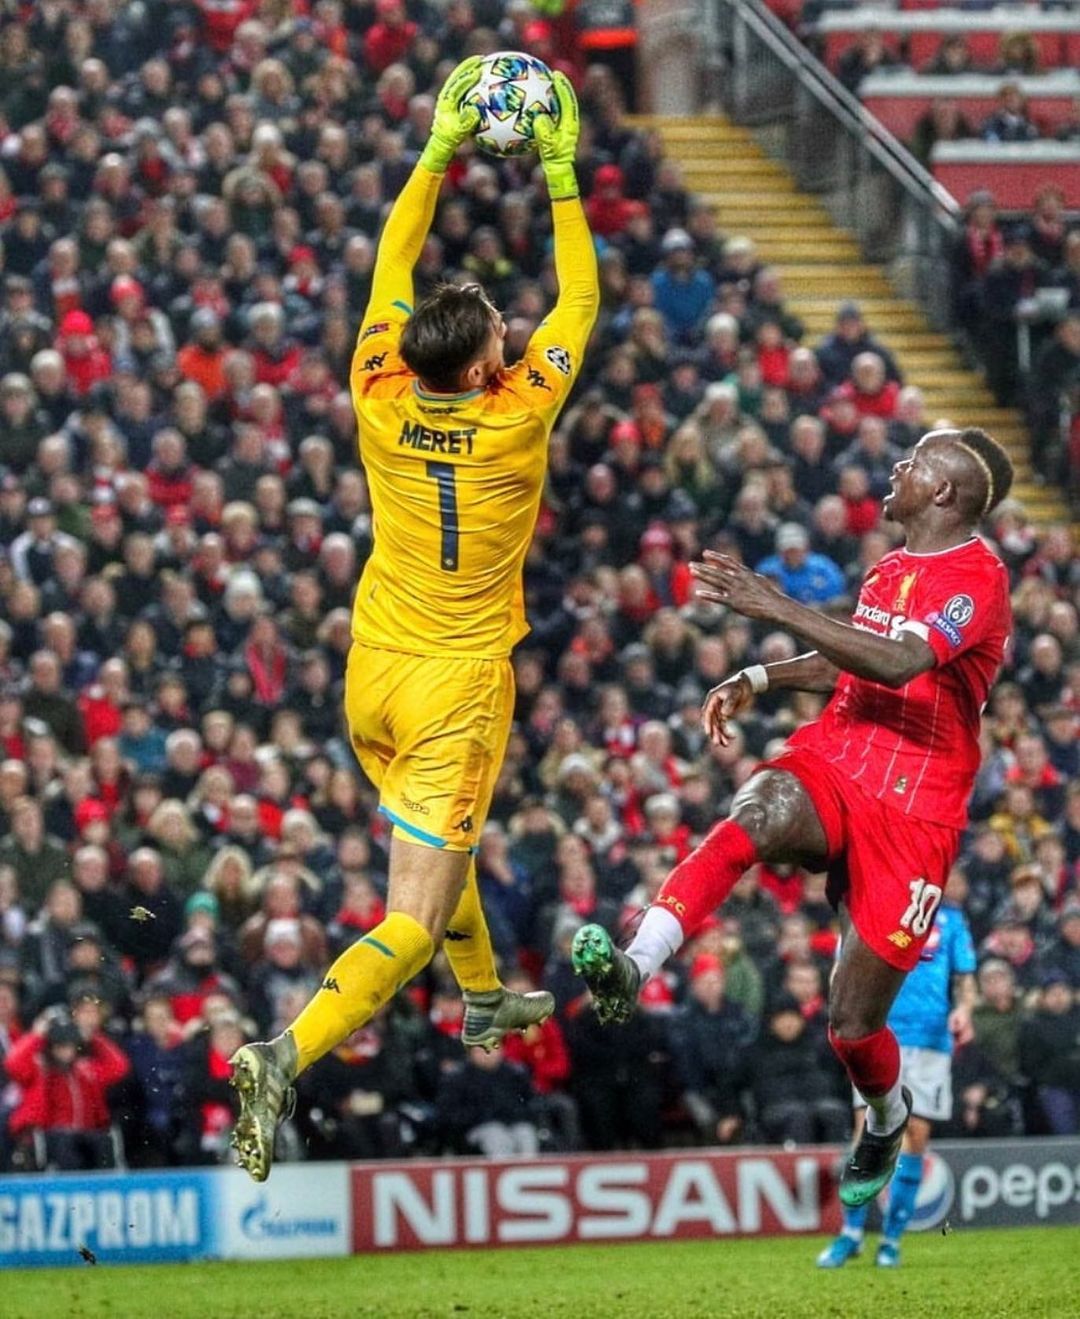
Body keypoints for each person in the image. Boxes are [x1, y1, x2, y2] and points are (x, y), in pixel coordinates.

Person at [229, 59, 600, 1182]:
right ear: (493, 363)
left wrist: (438, 149)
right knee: (413, 910)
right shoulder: (521, 416)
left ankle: (485, 1000)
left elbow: (394, 259)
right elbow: (578, 298)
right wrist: (559, 172)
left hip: (373, 670)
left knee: (450, 844)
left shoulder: (378, 386)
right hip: (456, 682)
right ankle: (281, 1054)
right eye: (501, 331)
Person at [572, 426, 1013, 1209]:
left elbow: (898, 660)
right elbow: (853, 654)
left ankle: (884, 1112)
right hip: (842, 755)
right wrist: (760, 676)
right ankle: (636, 963)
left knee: (851, 1024)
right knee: (759, 809)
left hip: (918, 806)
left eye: (911, 463)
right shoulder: (890, 569)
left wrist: (774, 605)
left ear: (943, 491)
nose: (895, 469)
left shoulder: (977, 577)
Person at [817, 873, 977, 1269]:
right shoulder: (867, 911)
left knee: (915, 1138)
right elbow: (841, 971)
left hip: (931, 1042)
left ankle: (891, 1240)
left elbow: (966, 980)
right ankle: (850, 1234)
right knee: (864, 1132)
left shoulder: (951, 921)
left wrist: (965, 1009)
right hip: (878, 1032)